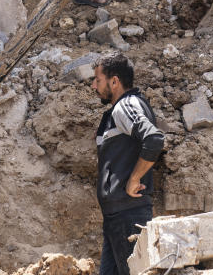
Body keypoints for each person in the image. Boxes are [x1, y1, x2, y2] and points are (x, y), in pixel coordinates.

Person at [91, 53, 165, 275]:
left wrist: (134, 178)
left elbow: (153, 139)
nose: (94, 86)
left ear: (114, 81)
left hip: (129, 215)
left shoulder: (127, 105)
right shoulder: (112, 114)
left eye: (98, 80)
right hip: (115, 218)